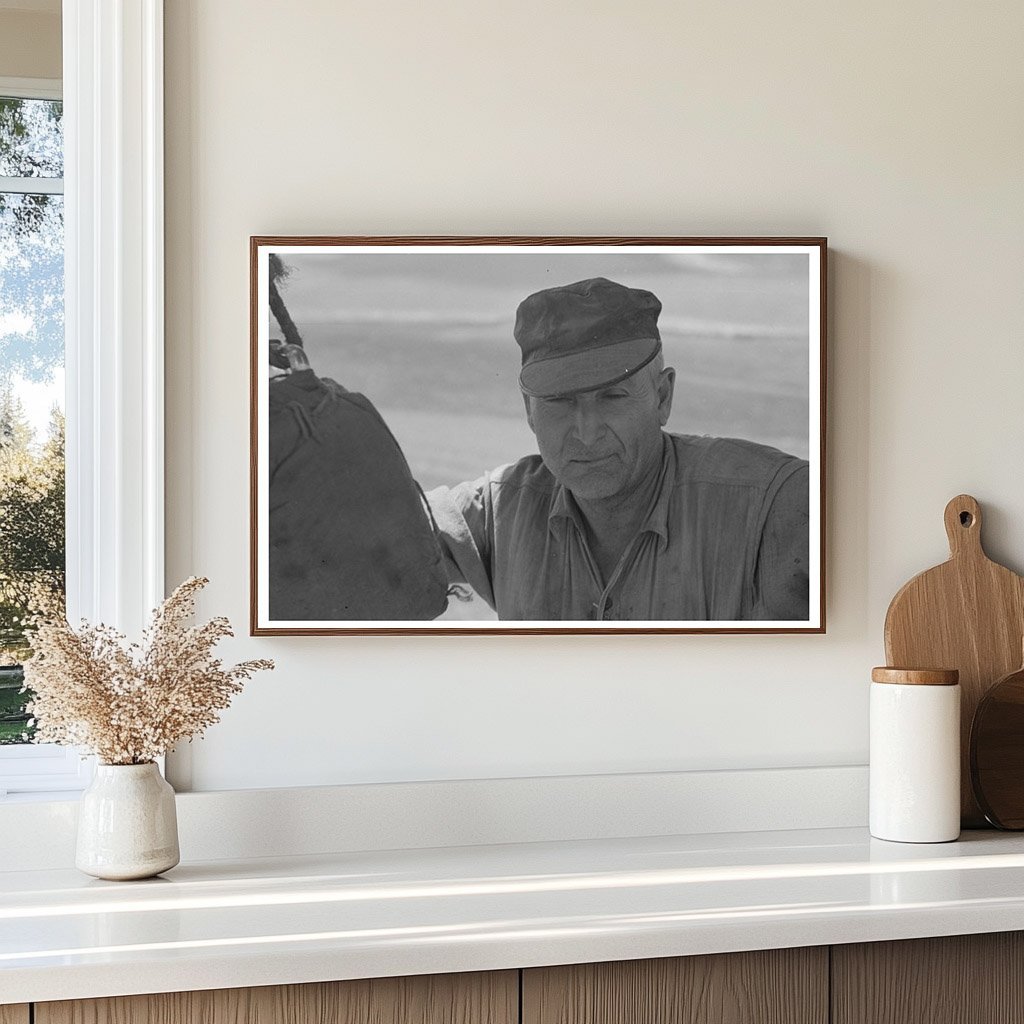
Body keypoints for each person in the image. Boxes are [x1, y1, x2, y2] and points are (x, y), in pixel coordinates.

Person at [425, 277, 809, 622]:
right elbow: (387, 530)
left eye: (613, 396)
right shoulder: (502, 510)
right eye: (560, 401)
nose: (587, 433)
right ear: (529, 411)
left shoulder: (772, 504)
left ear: (662, 397)